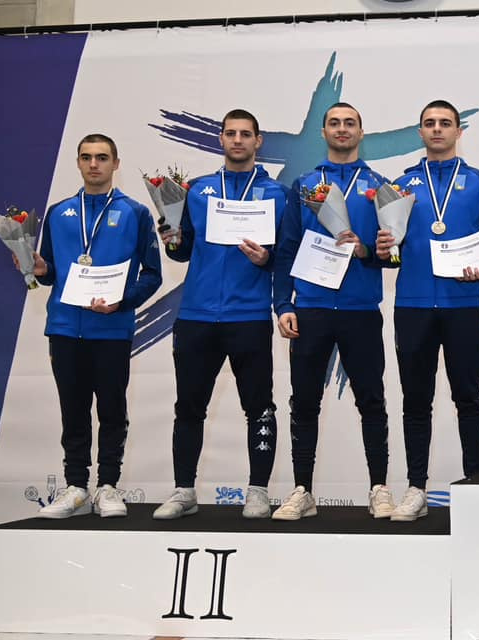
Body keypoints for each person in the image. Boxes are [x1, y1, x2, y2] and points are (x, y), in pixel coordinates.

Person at [152, 109, 287, 521]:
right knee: (189, 407)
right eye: (231, 133)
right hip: (196, 315)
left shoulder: (277, 193)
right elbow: (183, 250)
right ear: (221, 139)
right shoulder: (196, 190)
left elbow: (286, 253)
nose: (238, 140)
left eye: (246, 134)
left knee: (259, 406)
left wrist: (266, 258)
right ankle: (183, 489)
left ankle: (259, 491)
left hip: (248, 315)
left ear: (258, 141)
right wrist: (170, 236)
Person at [384, 99, 479, 520]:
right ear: (420, 132)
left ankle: (474, 485)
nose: (437, 129)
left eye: (445, 123)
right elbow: (389, 249)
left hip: (463, 305)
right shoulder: (399, 186)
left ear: (459, 132)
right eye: (429, 124)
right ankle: (416, 488)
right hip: (413, 304)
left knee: (468, 398)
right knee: (415, 402)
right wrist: (387, 249)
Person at [271, 102, 395, 520]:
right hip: (312, 309)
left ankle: (378, 488)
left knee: (372, 401)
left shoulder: (380, 187)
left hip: (360, 309)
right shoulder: (305, 185)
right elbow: (287, 247)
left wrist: (368, 252)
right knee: (304, 403)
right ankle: (302, 490)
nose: (342, 130)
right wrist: (284, 304)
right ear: (323, 132)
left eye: (350, 123)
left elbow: (394, 253)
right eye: (335, 123)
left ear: (362, 132)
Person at [33, 133, 162, 518]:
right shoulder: (58, 212)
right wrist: (41, 270)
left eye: (102, 157)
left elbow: (152, 275)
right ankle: (74, 486)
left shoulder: (136, 212)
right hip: (65, 327)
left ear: (115, 164)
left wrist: (124, 301)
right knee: (72, 409)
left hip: (112, 329)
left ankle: (107, 486)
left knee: (111, 408)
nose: (94, 164)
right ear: (77, 162)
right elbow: (50, 272)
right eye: (87, 157)